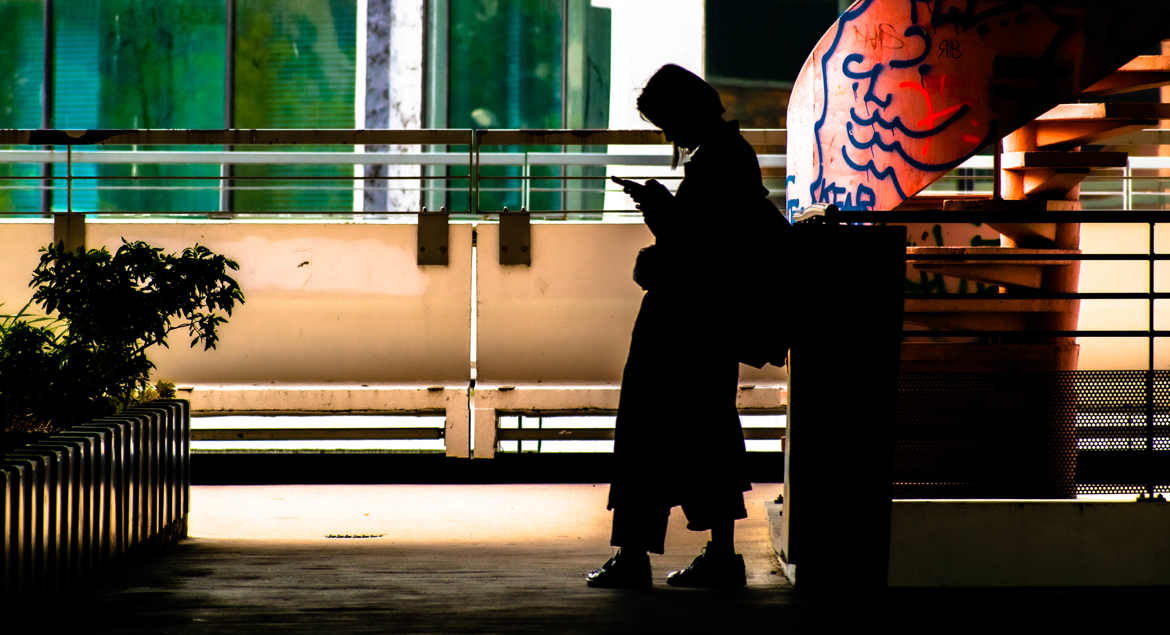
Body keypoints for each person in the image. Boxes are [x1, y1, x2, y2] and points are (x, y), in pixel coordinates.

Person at [586, 64, 790, 589]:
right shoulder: (729, 156)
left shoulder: (716, 162)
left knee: (645, 432)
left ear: (684, 112)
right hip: (709, 323)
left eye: (666, 122)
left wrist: (657, 217)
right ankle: (718, 552)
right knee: (708, 431)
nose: (667, 135)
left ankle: (635, 554)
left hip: (683, 320)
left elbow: (698, 248)